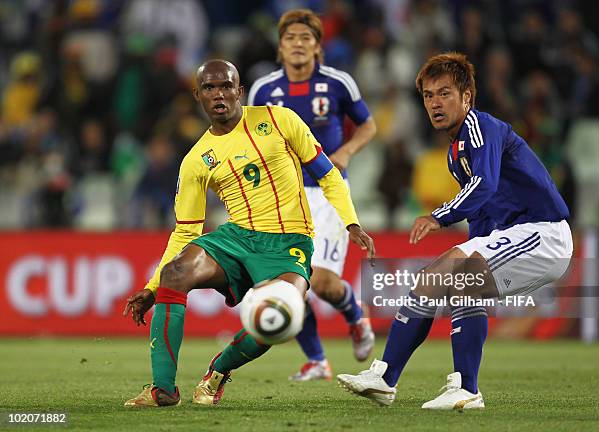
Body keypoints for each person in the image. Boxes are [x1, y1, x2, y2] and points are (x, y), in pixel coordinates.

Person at [122, 59, 375, 407]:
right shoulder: (196, 159)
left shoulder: (279, 119)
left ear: (239, 91)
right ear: (198, 96)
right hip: (236, 237)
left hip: (289, 241)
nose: (219, 94)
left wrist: (351, 222)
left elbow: (328, 174)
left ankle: (218, 371)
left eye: (226, 86)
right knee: (175, 273)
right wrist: (154, 287)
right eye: (209, 88)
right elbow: (185, 232)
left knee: (280, 316)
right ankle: (163, 388)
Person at [337, 52, 572, 409]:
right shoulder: (454, 151)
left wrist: (439, 215)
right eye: (429, 96)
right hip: (516, 236)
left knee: (455, 275)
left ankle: (453, 384)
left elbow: (484, 185)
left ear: (467, 97)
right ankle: (393, 380)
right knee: (447, 281)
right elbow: (482, 217)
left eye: (445, 93)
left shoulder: (481, 128)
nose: (435, 103)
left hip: (544, 234)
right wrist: (463, 253)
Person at [248, 9, 377, 381]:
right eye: (291, 38)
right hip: (282, 198)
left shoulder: (338, 83)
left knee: (321, 283)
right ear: (280, 48)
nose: (298, 44)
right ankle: (317, 361)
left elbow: (368, 125)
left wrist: (347, 152)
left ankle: (355, 316)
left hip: (327, 193)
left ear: (318, 47)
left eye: (306, 38)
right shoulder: (263, 90)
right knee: (290, 285)